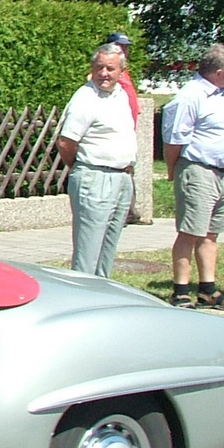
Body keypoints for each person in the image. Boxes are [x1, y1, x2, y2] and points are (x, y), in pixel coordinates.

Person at [161, 43, 224, 307]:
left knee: (210, 233)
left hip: (221, 173)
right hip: (198, 170)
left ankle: (208, 289)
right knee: (190, 232)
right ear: (219, 72)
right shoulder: (191, 96)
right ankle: (180, 291)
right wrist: (173, 171)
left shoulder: (221, 96)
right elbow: (174, 139)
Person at [57, 44, 138, 277]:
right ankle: (82, 301)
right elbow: (66, 142)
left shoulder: (120, 95)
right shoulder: (85, 98)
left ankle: (102, 297)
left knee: (107, 249)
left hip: (122, 177)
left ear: (121, 71)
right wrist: (80, 167)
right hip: (95, 177)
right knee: (88, 252)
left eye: (110, 69)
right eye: (99, 67)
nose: (104, 73)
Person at [104, 31, 140, 125]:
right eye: (119, 46)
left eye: (126, 47)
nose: (123, 50)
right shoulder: (106, 70)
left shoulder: (123, 70)